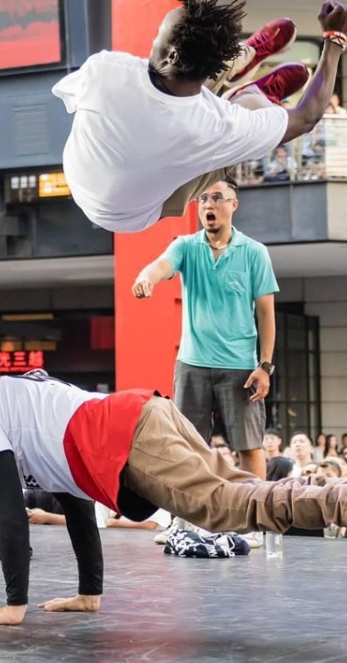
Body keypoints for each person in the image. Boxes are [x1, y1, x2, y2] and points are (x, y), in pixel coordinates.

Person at [0, 374, 347, 626]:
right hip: (143, 413)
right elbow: (78, 500)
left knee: (220, 508)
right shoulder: (11, 411)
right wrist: (90, 592)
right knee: (237, 491)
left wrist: (13, 607)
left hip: (126, 434)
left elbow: (7, 515)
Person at [52, 0, 347, 233]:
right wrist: (335, 39)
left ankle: (244, 69)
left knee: (175, 89)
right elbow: (306, 116)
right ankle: (247, 88)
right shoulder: (217, 127)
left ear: (170, 55)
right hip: (133, 208)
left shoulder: (105, 69)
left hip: (107, 198)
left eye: (157, 35)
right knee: (227, 135)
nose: (152, 41)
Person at [132, 177, 277, 480]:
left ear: (233, 205)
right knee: (186, 445)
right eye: (204, 199)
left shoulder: (254, 252)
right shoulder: (186, 246)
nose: (209, 205)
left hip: (240, 366)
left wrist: (265, 366)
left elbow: (265, 313)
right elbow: (160, 266)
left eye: (218, 198)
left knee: (249, 446)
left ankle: (256, 521)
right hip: (192, 364)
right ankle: (187, 521)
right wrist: (146, 278)